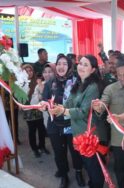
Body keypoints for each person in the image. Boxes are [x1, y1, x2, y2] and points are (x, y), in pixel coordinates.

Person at [49, 55, 108, 188]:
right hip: (79, 134)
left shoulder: (93, 87)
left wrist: (64, 111)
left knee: (94, 169)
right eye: (80, 63)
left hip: (90, 135)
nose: (81, 66)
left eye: (86, 65)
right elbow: (69, 102)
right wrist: (58, 108)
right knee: (89, 165)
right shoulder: (79, 84)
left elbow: (83, 112)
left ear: (93, 70)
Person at [92, 58, 124, 188]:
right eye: (119, 75)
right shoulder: (110, 89)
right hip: (118, 138)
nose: (122, 78)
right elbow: (103, 103)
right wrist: (99, 106)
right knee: (120, 170)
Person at [42, 55, 85, 188]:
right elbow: (44, 101)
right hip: (55, 124)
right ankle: (64, 175)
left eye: (64, 64)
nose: (61, 66)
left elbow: (82, 103)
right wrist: (45, 106)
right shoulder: (50, 83)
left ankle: (78, 172)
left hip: (72, 123)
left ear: (70, 66)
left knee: (75, 151)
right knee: (59, 152)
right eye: (59, 63)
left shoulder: (77, 82)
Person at [22, 64, 48, 158]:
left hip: (39, 110)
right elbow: (22, 99)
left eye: (30, 71)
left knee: (41, 130)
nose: (29, 73)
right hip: (29, 111)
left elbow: (42, 95)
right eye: (26, 71)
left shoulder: (37, 81)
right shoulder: (21, 83)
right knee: (32, 131)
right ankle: (35, 149)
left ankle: (42, 146)